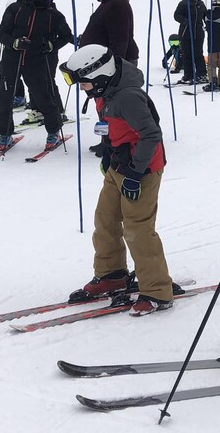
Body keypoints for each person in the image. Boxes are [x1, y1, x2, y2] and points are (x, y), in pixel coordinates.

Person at [60, 45, 177, 315]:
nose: (82, 88)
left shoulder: (127, 97)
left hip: (143, 170)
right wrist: (107, 152)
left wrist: (136, 174)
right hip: (120, 164)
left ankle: (157, 291)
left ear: (101, 75)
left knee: (137, 228)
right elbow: (109, 126)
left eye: (84, 82)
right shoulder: (105, 91)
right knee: (106, 219)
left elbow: (151, 136)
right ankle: (112, 274)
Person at [0, 0, 72, 152]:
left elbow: (66, 36)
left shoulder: (53, 14)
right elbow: (1, 34)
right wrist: (14, 42)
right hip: (11, 60)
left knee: (43, 96)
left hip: (36, 61)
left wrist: (51, 45)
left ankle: (53, 132)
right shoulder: (16, 9)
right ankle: (4, 135)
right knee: (4, 98)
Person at [79, 0, 140, 65]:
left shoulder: (117, 5)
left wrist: (114, 65)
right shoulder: (109, 3)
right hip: (100, 60)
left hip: (112, 64)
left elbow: (119, 40)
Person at [174, 0, 208, 83]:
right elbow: (176, 15)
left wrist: (208, 24)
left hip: (198, 33)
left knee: (198, 54)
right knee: (187, 54)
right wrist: (185, 20)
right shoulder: (183, 4)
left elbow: (205, 16)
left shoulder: (200, 4)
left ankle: (201, 74)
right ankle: (188, 75)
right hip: (186, 33)